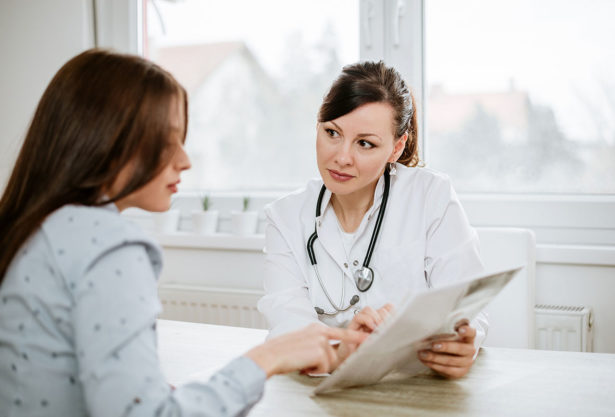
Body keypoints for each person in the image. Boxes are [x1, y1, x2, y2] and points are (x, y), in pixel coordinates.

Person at [0, 49, 367, 417]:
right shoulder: (107, 244)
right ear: (103, 141)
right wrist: (267, 358)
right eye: (166, 140)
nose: (184, 160)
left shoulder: (36, 227)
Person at [258, 61, 487, 379]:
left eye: (365, 143)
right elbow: (288, 326)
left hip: (419, 390)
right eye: (332, 133)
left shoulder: (430, 197)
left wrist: (463, 344)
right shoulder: (284, 218)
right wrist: (341, 353)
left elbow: (468, 304)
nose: (342, 157)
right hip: (321, 394)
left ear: (396, 147)